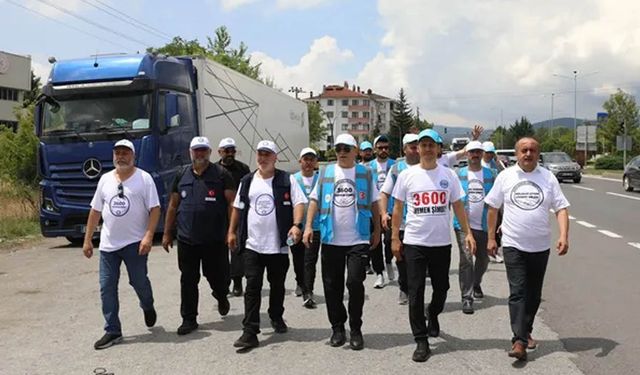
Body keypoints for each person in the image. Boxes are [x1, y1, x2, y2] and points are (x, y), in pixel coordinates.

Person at [390, 129, 476, 362]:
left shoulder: (448, 175)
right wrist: (395, 238)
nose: (427, 149)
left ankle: (433, 313)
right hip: (415, 242)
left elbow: (458, 206)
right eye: (423, 145)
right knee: (415, 290)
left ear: (439, 149)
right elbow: (397, 208)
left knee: (442, 288)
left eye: (432, 145)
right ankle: (420, 339)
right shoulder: (407, 175)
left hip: (440, 243)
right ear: (417, 149)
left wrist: (468, 233)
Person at [485, 137, 570, 361]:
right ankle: (519, 341)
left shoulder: (547, 177)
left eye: (532, 150)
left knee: (533, 294)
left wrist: (564, 235)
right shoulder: (506, 176)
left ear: (538, 153)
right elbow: (493, 208)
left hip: (540, 246)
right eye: (524, 150)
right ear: (517, 153)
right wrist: (491, 238)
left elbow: (561, 208)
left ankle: (526, 330)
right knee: (518, 291)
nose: (528, 154)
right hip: (513, 244)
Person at [303, 133, 381, 351]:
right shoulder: (327, 172)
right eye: (338, 148)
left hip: (358, 238)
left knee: (355, 283)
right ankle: (338, 328)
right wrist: (308, 226)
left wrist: (378, 230)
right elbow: (314, 201)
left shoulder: (365, 173)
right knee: (332, 286)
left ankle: (355, 328)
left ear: (355, 151)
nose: (342, 152)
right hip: (331, 239)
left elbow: (375, 203)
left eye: (347, 148)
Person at [227, 140, 307, 350]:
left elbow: (299, 203)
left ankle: (276, 316)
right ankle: (250, 331)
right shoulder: (247, 181)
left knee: (277, 285)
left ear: (275, 157)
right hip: (252, 245)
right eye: (260, 154)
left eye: (267, 154)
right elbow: (237, 207)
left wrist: (297, 225)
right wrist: (231, 232)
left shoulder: (286, 180)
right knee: (252, 286)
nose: (263, 158)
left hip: (278, 245)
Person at [82, 139, 161, 350]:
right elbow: (95, 211)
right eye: (117, 153)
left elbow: (154, 209)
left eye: (125, 152)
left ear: (133, 156)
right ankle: (112, 330)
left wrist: (148, 236)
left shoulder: (144, 179)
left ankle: (147, 305)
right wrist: (88, 239)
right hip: (109, 245)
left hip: (135, 243)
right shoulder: (105, 180)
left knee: (139, 282)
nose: (121, 156)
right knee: (107, 287)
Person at [162, 136, 236, 335]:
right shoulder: (181, 175)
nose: (200, 154)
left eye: (203, 150)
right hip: (187, 240)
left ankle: (221, 295)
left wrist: (232, 231)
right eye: (196, 150)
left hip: (214, 239)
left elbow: (232, 204)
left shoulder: (222, 174)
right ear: (190, 152)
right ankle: (189, 318)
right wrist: (167, 233)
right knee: (188, 279)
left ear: (210, 152)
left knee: (216, 277)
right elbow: (173, 205)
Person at [452, 141, 495, 315]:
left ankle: (476, 282)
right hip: (463, 226)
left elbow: (498, 202)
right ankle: (467, 298)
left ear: (482, 153)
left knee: (483, 260)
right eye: (472, 152)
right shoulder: (458, 174)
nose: (475, 155)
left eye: (478, 152)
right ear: (467, 154)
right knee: (467, 260)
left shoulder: (491, 174)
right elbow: (453, 199)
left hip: (484, 225)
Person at [379, 133, 420, 305]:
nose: (416, 149)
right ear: (404, 149)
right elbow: (384, 193)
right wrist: (383, 213)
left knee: (416, 261)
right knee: (401, 258)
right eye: (412, 146)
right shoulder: (396, 169)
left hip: (420, 223)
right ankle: (404, 287)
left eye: (417, 146)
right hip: (401, 223)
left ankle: (415, 291)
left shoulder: (428, 166)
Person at [216, 137, 251, 297]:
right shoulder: (214, 170)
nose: (230, 154)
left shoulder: (243, 169)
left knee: (236, 249)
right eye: (226, 151)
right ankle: (223, 282)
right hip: (218, 215)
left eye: (232, 151)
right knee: (219, 252)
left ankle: (237, 282)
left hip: (238, 214)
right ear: (219, 152)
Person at [290, 147, 322, 308]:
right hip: (296, 227)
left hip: (316, 227)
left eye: (311, 159)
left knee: (310, 260)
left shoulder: (321, 179)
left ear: (315, 162)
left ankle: (308, 291)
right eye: (305, 159)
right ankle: (300, 282)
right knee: (298, 260)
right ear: (300, 161)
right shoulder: (293, 179)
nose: (308, 163)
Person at [365, 134, 395, 288]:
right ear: (375, 149)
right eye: (380, 147)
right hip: (373, 211)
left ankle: (389, 261)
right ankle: (379, 273)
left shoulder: (395, 165)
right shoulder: (367, 168)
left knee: (390, 241)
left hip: (391, 210)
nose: (384, 150)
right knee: (375, 243)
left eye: (386, 148)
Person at [482, 141, 506, 263]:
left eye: (492, 152)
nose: (490, 155)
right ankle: (487, 251)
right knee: (486, 226)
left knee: (497, 224)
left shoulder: (495, 164)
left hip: (497, 200)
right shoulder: (480, 165)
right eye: (488, 153)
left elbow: (504, 173)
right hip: (484, 200)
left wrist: (497, 161)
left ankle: (495, 251)